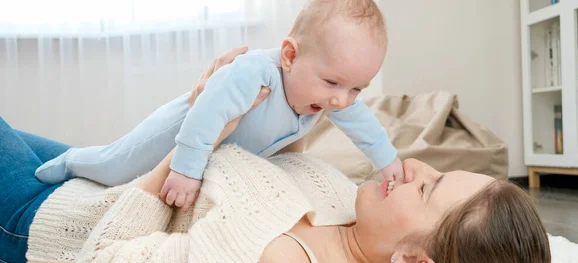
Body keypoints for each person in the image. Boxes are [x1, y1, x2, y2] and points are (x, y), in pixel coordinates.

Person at [3, 53, 578, 263]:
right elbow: (263, 178)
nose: (412, 166)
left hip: (45, 226)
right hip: (99, 181)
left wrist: (189, 145)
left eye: (428, 187)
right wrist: (281, 112)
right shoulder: (361, 219)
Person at [34, 0, 404, 213]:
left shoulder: (328, 93)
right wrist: (186, 171)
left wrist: (389, 163)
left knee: (125, 182)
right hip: (175, 133)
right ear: (290, 55)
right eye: (333, 83)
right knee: (115, 166)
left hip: (213, 147)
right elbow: (206, 115)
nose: (342, 99)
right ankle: (72, 160)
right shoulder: (255, 73)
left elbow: (364, 126)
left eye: (357, 88)